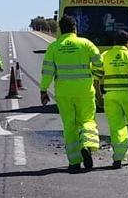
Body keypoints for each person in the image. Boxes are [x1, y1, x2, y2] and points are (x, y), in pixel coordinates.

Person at [40, 16, 102, 171]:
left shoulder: (54, 47)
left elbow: (47, 71)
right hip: (84, 91)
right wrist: (95, 77)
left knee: (69, 125)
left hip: (63, 93)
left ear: (60, 29)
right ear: (75, 27)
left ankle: (74, 162)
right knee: (87, 120)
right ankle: (87, 145)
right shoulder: (86, 44)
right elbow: (99, 64)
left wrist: (43, 90)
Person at [93, 30, 128, 168]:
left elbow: (96, 79)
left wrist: (99, 96)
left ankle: (118, 156)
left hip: (110, 96)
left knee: (116, 126)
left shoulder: (104, 56)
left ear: (114, 41)